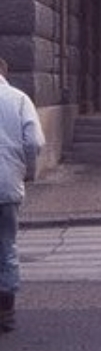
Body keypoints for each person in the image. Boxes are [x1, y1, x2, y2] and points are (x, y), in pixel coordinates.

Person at [0, 56, 45, 334]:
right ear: (4, 72)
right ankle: (5, 312)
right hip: (7, 185)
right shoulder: (19, 99)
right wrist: (28, 171)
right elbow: (34, 141)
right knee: (6, 248)